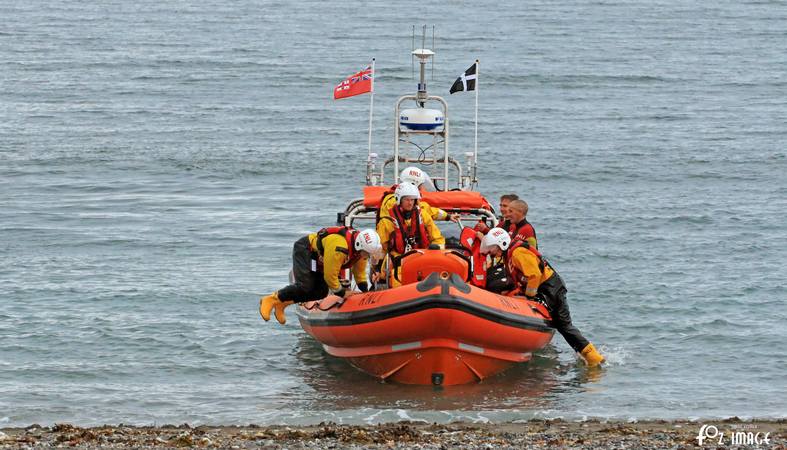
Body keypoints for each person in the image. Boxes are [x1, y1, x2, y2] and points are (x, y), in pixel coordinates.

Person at [479, 228, 605, 367]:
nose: (490, 252)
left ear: (501, 244)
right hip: (547, 287)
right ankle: (591, 355)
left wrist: (529, 296)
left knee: (563, 324)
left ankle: (593, 357)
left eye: (492, 248)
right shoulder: (510, 254)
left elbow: (534, 275)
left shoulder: (518, 253)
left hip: (550, 287)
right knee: (563, 325)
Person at [259, 227, 383, 325]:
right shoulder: (340, 248)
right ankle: (272, 299)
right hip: (306, 250)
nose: (367, 256)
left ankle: (283, 303)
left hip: (320, 260)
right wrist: (342, 293)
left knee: (321, 292)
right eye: (367, 253)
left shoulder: (362, 252)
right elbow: (330, 276)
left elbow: (359, 273)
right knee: (305, 286)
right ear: (359, 246)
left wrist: (365, 292)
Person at [377, 182, 445, 258]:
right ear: (399, 200)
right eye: (407, 200)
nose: (410, 203)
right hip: (398, 261)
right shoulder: (386, 222)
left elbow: (437, 238)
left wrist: (436, 255)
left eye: (412, 200)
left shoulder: (423, 215)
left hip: (422, 257)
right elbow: (381, 250)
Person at [378, 167, 460, 223]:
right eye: (420, 186)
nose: (421, 189)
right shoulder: (395, 202)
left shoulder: (398, 198)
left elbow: (428, 210)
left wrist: (448, 216)